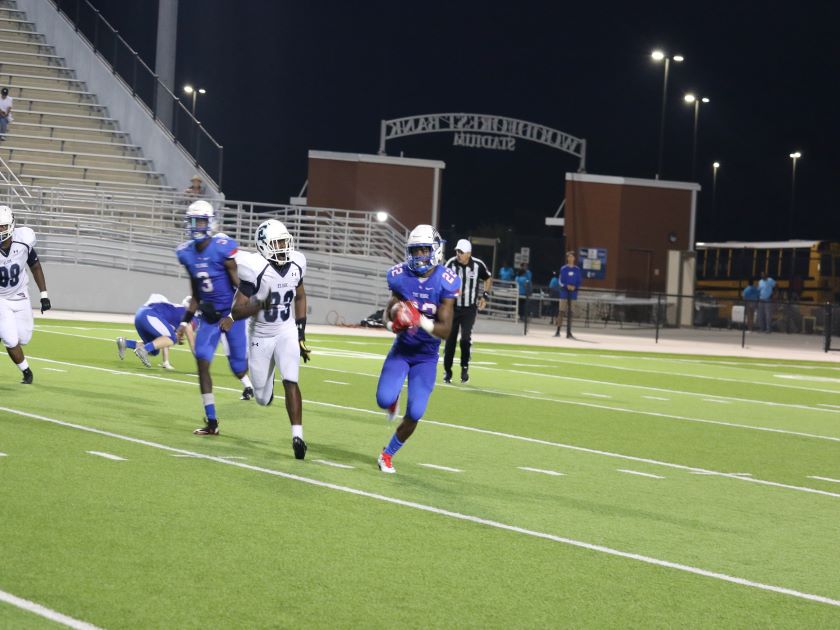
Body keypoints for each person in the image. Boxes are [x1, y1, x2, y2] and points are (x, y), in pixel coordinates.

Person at [376, 224, 460, 474]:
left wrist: (418, 319)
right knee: (383, 399)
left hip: (426, 356)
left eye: (425, 249)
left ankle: (387, 454)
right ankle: (393, 401)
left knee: (416, 412)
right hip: (402, 349)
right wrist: (393, 324)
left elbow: (445, 330)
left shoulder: (446, 281)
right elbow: (387, 312)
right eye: (416, 250)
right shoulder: (400, 275)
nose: (420, 255)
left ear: (435, 250)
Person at [230, 220, 310, 460]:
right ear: (264, 245)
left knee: (291, 379)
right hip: (260, 335)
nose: (283, 248)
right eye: (277, 243)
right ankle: (267, 386)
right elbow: (236, 310)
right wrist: (260, 304)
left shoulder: (296, 262)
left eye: (285, 242)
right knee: (262, 398)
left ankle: (298, 436)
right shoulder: (255, 268)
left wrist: (301, 333)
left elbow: (300, 296)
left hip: (285, 330)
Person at [175, 200, 254, 436]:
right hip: (209, 319)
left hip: (232, 316)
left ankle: (258, 373)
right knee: (202, 360)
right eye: (192, 221)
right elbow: (196, 293)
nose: (196, 226)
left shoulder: (222, 248)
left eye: (200, 221)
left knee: (239, 368)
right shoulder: (186, 253)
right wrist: (184, 321)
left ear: (210, 222)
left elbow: (241, 287)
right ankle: (212, 421)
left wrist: (235, 313)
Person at [0, 205, 51, 384]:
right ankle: (27, 372)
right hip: (0, 299)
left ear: (11, 225)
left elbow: (35, 266)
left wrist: (44, 295)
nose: (0, 230)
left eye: (2, 226)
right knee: (10, 339)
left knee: (24, 337)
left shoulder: (24, 240)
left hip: (20, 294)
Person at [443, 238, 491, 383]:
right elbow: (443, 282)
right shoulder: (450, 263)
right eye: (457, 251)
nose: (458, 254)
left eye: (461, 252)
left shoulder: (478, 265)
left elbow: (487, 278)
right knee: (450, 341)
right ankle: (448, 372)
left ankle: (464, 367)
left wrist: (485, 296)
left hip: (469, 308)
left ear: (469, 253)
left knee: (465, 339)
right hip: (453, 308)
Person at [116, 294, 195, 369]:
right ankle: (144, 349)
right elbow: (192, 345)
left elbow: (165, 341)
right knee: (172, 338)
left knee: (155, 350)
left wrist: (166, 362)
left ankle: (126, 343)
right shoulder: (186, 315)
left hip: (141, 314)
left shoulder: (175, 311)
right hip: (149, 315)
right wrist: (202, 363)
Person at [555, 251, 582, 337]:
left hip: (573, 293)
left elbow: (579, 281)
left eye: (572, 257)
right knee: (561, 311)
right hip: (564, 292)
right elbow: (560, 281)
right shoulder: (563, 269)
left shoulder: (577, 270)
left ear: (574, 258)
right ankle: (558, 330)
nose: (570, 258)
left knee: (571, 313)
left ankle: (569, 331)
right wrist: (566, 286)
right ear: (567, 258)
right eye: (569, 257)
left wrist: (575, 287)